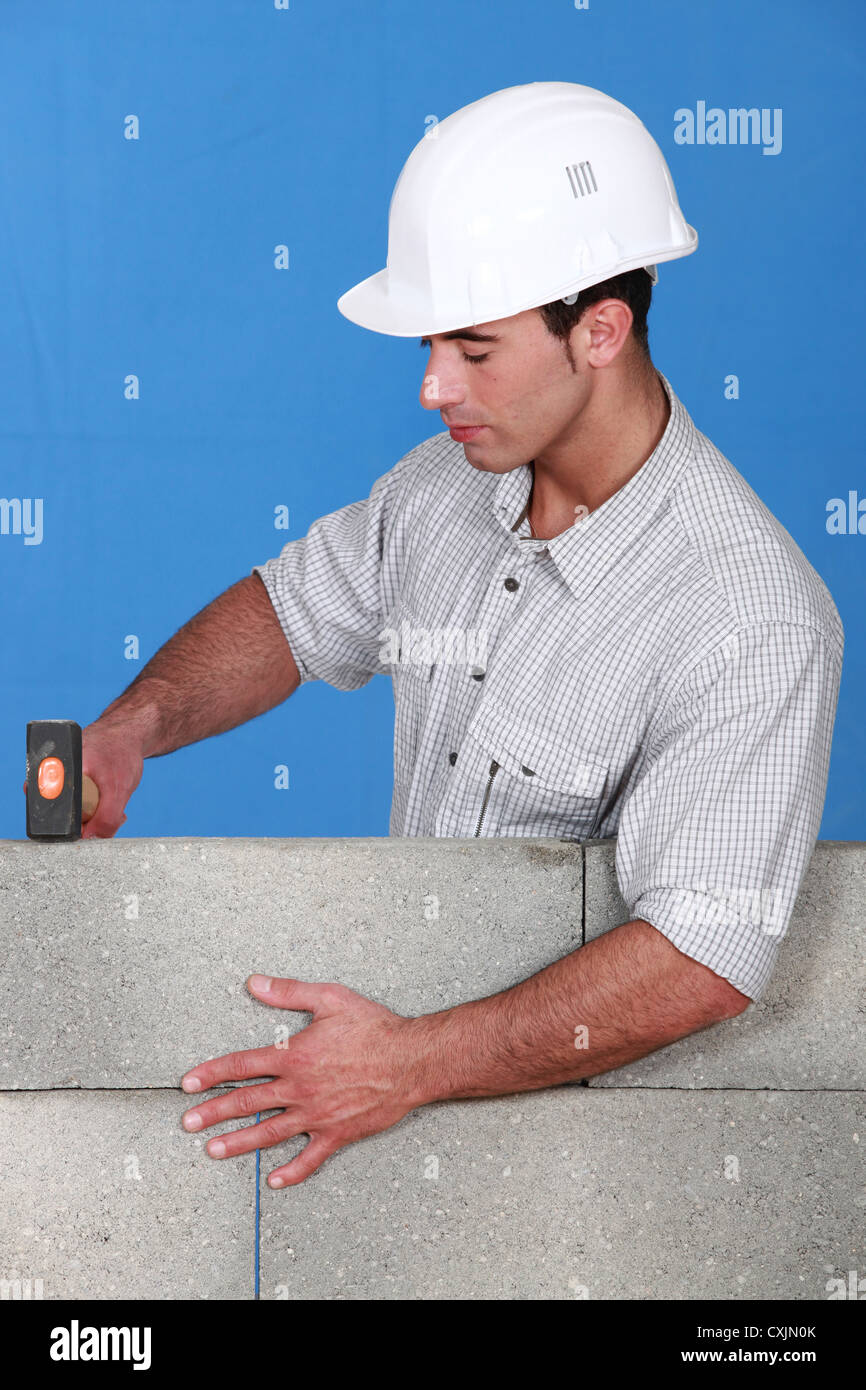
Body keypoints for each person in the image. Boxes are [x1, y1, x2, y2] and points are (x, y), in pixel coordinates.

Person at [72, 83, 844, 1187]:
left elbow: (698, 961)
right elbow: (291, 614)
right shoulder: (444, 487)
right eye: (434, 343)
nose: (435, 386)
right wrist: (134, 728)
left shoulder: (748, 613)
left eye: (475, 350)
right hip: (390, 1111)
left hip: (581, 1176)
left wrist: (406, 1065)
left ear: (600, 330)